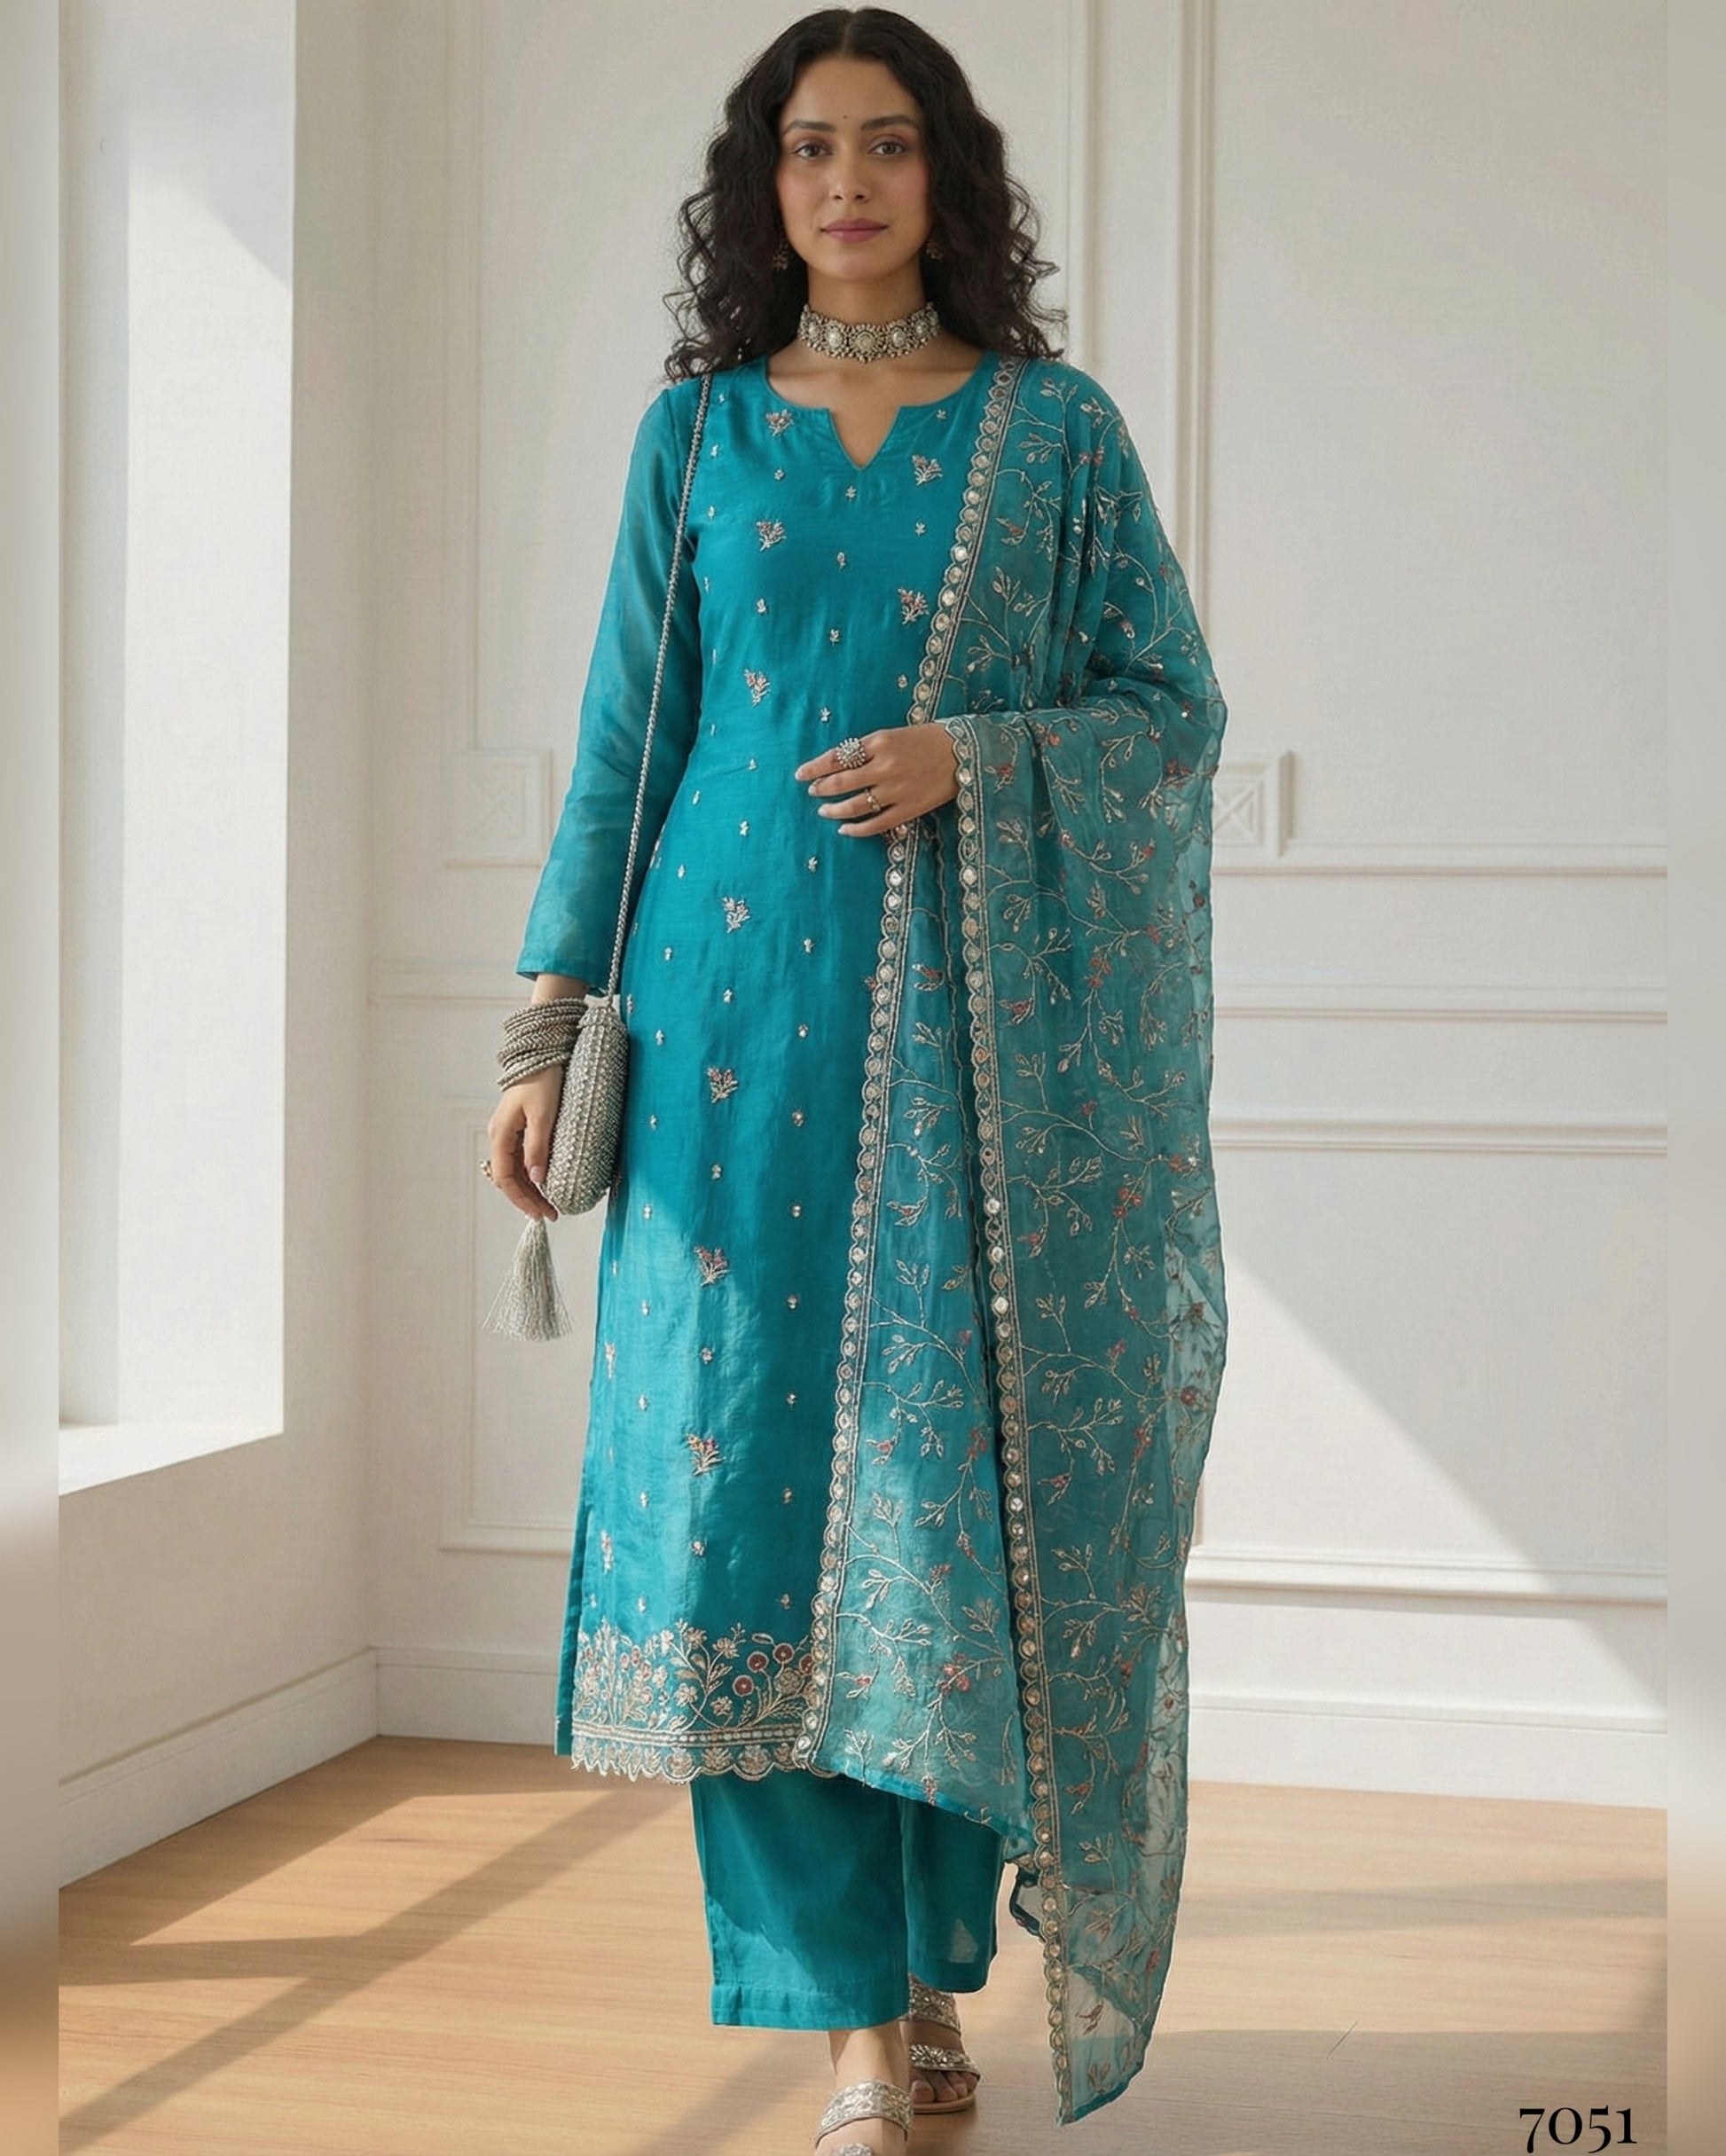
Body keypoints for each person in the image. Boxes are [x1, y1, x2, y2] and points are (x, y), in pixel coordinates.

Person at [484, 10, 1228, 2146]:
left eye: (888, 145)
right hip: (725, 1058)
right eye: (809, 148)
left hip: (971, 1082)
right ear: (762, 183)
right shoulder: (698, 436)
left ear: (948, 178)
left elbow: (1167, 713)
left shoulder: (1053, 433)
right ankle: (844, 2025)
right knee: (746, 1523)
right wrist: (548, 1035)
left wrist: (974, 763)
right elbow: (625, 748)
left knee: (927, 1526)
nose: (847, 184)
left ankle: (918, 1975)